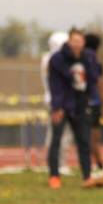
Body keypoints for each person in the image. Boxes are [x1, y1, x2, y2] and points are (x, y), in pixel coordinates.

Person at [47, 28, 98, 188]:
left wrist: (90, 99)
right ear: (69, 41)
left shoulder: (89, 57)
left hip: (81, 104)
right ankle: (54, 176)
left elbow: (93, 79)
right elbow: (55, 85)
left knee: (83, 140)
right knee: (56, 140)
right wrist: (57, 107)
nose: (77, 44)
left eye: (80, 41)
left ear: (83, 42)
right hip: (62, 104)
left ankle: (87, 175)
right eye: (74, 41)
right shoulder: (57, 59)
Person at [40, 31, 73, 174]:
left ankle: (55, 163)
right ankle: (58, 163)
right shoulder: (54, 59)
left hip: (52, 98)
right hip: (57, 100)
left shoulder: (47, 58)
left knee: (56, 133)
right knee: (61, 134)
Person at [84, 32, 103, 173]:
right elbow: (101, 83)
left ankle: (96, 164)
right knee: (93, 136)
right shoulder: (94, 62)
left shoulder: (83, 58)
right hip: (93, 102)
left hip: (87, 102)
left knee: (90, 136)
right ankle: (98, 164)